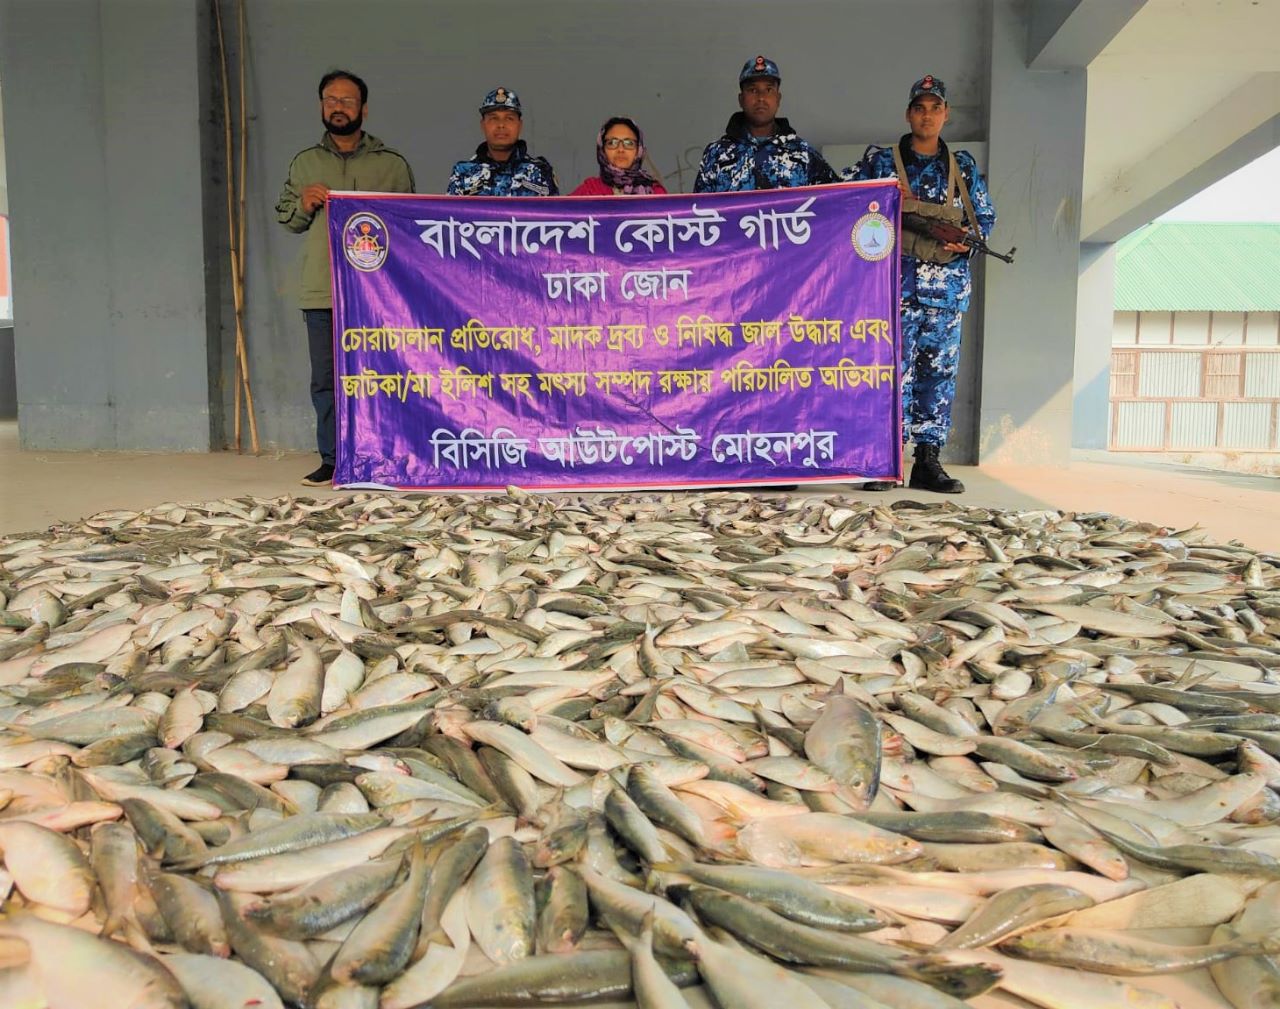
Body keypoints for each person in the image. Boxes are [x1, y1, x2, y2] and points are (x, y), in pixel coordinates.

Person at [850, 74, 996, 494]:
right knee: (889, 375)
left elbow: (984, 218)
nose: (927, 116)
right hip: (890, 291)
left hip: (945, 294)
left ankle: (927, 462)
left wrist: (962, 242)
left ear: (946, 114)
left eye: (935, 108)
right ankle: (885, 459)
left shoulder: (961, 166)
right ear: (908, 113)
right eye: (920, 108)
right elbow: (848, 204)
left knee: (938, 377)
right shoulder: (882, 163)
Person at [275, 69, 415, 487]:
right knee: (326, 380)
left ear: (364, 109)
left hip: (379, 296)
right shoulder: (305, 163)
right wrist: (303, 202)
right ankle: (333, 460)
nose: (338, 107)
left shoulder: (391, 165)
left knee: (384, 375)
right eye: (330, 100)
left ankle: (387, 453)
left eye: (347, 100)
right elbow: (288, 219)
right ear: (321, 106)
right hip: (323, 291)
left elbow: (411, 227)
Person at [694, 56, 838, 192]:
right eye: (753, 90)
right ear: (741, 99)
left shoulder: (802, 153)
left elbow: (837, 200)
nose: (761, 97)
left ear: (778, 98)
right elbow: (699, 210)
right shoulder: (717, 154)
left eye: (768, 90)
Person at [447, 88, 559, 196]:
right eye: (493, 118)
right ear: (483, 125)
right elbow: (451, 213)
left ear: (519, 126)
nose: (501, 125)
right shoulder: (464, 173)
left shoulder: (540, 171)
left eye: (509, 118)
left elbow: (555, 212)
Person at [570, 117, 667, 195]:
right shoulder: (588, 192)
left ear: (639, 150)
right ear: (602, 150)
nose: (621, 149)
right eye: (612, 143)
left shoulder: (655, 193)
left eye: (629, 143)